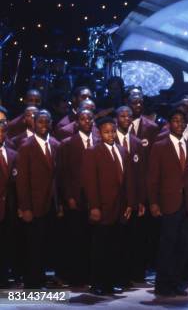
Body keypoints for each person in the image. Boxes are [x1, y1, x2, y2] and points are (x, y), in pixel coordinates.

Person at [148, 109, 188, 297]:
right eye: (175, 121)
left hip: (187, 205)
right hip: (168, 203)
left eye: (182, 121)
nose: (179, 124)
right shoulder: (159, 146)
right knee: (167, 245)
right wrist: (154, 203)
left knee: (183, 245)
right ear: (169, 124)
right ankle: (162, 285)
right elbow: (153, 178)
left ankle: (176, 283)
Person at [82, 117, 135, 295]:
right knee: (100, 248)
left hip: (119, 208)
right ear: (99, 133)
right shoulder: (93, 152)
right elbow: (91, 182)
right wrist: (95, 206)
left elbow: (127, 180)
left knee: (115, 247)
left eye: (112, 131)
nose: (111, 135)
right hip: (103, 207)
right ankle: (97, 283)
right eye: (106, 132)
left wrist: (129, 203)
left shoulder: (122, 151)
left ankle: (111, 282)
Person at [16, 110, 61, 288]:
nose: (43, 125)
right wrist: (25, 207)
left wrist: (60, 204)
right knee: (33, 245)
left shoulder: (56, 145)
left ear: (50, 123)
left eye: (46, 122)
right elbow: (22, 180)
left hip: (51, 203)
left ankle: (41, 278)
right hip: (34, 204)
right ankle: (31, 281)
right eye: (40, 122)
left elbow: (58, 177)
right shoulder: (26, 146)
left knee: (46, 244)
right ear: (34, 123)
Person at [56, 108, 98, 286]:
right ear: (77, 122)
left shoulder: (98, 142)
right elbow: (63, 173)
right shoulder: (67, 144)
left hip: (94, 198)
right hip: (75, 198)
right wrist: (69, 197)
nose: (87, 121)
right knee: (75, 238)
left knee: (92, 238)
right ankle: (75, 276)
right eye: (83, 118)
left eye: (90, 118)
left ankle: (90, 274)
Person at [115, 106, 148, 283]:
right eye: (122, 115)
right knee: (115, 239)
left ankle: (127, 275)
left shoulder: (137, 143)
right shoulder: (109, 140)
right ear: (116, 118)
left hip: (133, 199)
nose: (126, 118)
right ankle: (115, 275)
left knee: (131, 239)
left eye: (129, 116)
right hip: (114, 199)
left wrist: (141, 200)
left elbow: (141, 174)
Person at [0, 121, 17, 288]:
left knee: (5, 246)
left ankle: (3, 280)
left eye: (2, 131)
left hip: (8, 209)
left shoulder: (12, 154)